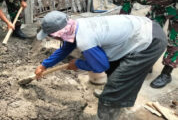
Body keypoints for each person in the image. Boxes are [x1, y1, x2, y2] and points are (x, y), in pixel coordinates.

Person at [35, 11, 167, 120]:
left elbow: (100, 66)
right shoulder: (76, 26)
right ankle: (120, 101)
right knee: (115, 70)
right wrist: (45, 65)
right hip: (142, 28)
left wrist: (78, 63)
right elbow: (66, 48)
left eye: (51, 36)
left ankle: (108, 112)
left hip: (149, 41)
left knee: (116, 85)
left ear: (58, 35)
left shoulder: (85, 40)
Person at [107, 0, 177, 88]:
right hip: (158, 8)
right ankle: (147, 63)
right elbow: (124, 14)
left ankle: (167, 73)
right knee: (148, 35)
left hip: (176, 8)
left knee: (174, 40)